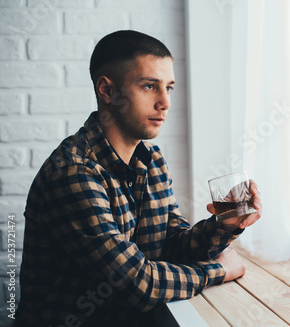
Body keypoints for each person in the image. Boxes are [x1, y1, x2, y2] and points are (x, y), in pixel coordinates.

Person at [14, 30, 262, 326]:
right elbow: (136, 284)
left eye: (169, 88)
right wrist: (218, 271)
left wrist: (224, 225)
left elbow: (170, 246)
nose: (165, 102)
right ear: (107, 91)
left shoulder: (152, 161)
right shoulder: (73, 173)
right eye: (149, 86)